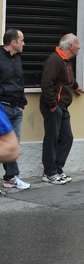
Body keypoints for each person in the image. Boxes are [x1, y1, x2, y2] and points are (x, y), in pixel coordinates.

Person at [40, 33, 84, 184]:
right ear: (70, 46)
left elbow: (67, 79)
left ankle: (58, 169)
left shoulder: (65, 61)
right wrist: (52, 105)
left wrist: (76, 86)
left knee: (67, 137)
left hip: (62, 106)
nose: (79, 46)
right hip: (54, 106)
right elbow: (46, 84)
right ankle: (49, 173)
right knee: (52, 139)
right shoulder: (55, 60)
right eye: (77, 44)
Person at [0, 29, 30, 190]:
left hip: (16, 109)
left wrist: (22, 103)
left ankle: (11, 178)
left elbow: (21, 81)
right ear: (14, 42)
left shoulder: (18, 59)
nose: (24, 43)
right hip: (2, 107)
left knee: (12, 146)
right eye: (22, 40)